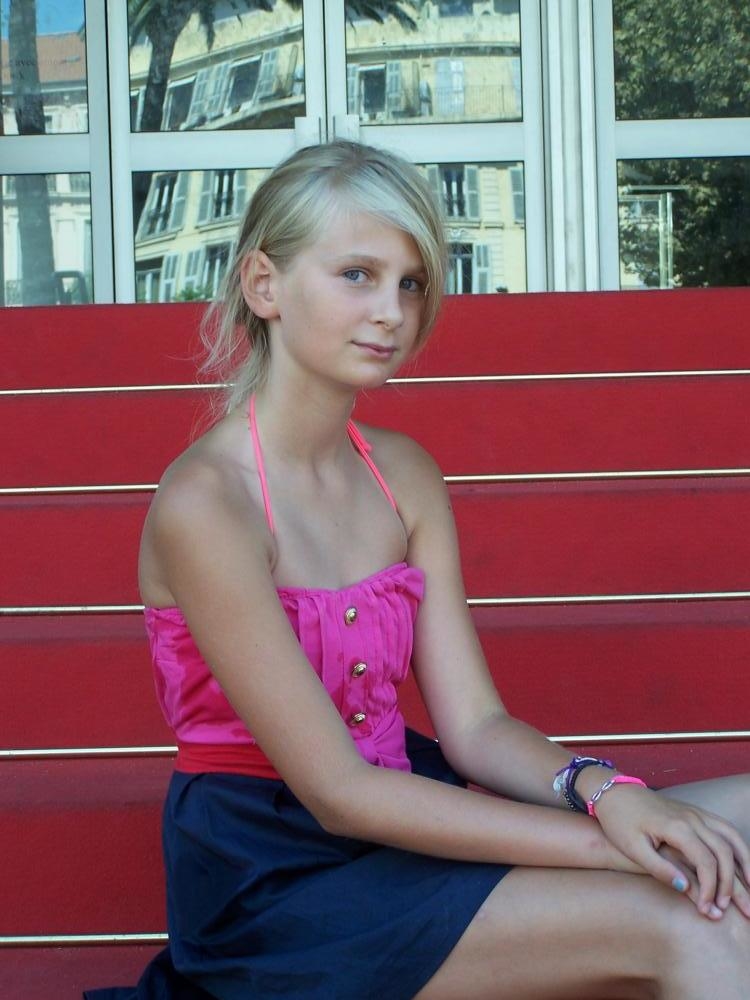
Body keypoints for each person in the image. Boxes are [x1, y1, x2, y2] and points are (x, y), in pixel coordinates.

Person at [86, 140, 750, 1000]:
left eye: (410, 283)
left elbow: (476, 727)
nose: (392, 312)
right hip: (274, 875)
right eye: (357, 275)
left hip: (409, 815)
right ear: (264, 285)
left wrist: (605, 789)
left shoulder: (403, 473)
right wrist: (615, 843)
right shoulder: (207, 504)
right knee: (696, 914)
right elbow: (339, 793)